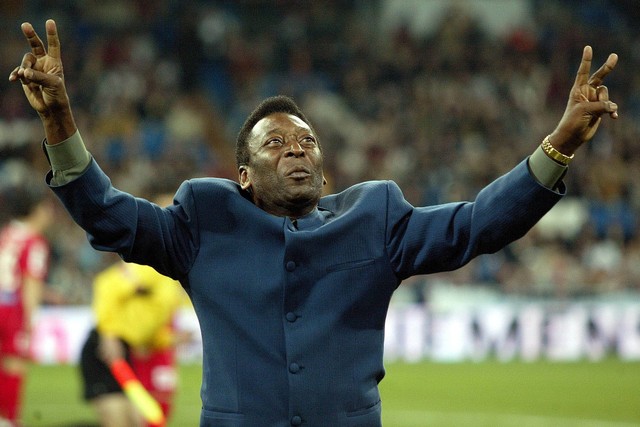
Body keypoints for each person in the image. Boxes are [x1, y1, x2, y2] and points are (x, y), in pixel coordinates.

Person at [10, 19, 618, 427]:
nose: (297, 149)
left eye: (307, 141)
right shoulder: (203, 219)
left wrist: (559, 144)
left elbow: (477, 225)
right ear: (243, 175)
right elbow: (108, 214)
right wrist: (60, 117)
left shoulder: (375, 216)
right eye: (276, 143)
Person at [79, 245, 189, 427]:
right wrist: (108, 334)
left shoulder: (171, 288)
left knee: (138, 422)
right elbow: (106, 284)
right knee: (117, 420)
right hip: (106, 349)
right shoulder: (151, 270)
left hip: (126, 351)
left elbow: (148, 334)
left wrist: (172, 338)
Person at [0, 162, 54, 425]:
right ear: (37, 211)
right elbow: (31, 284)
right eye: (47, 209)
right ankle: (8, 419)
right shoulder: (34, 242)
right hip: (12, 309)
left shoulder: (7, 234)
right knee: (14, 364)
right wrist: (30, 321)